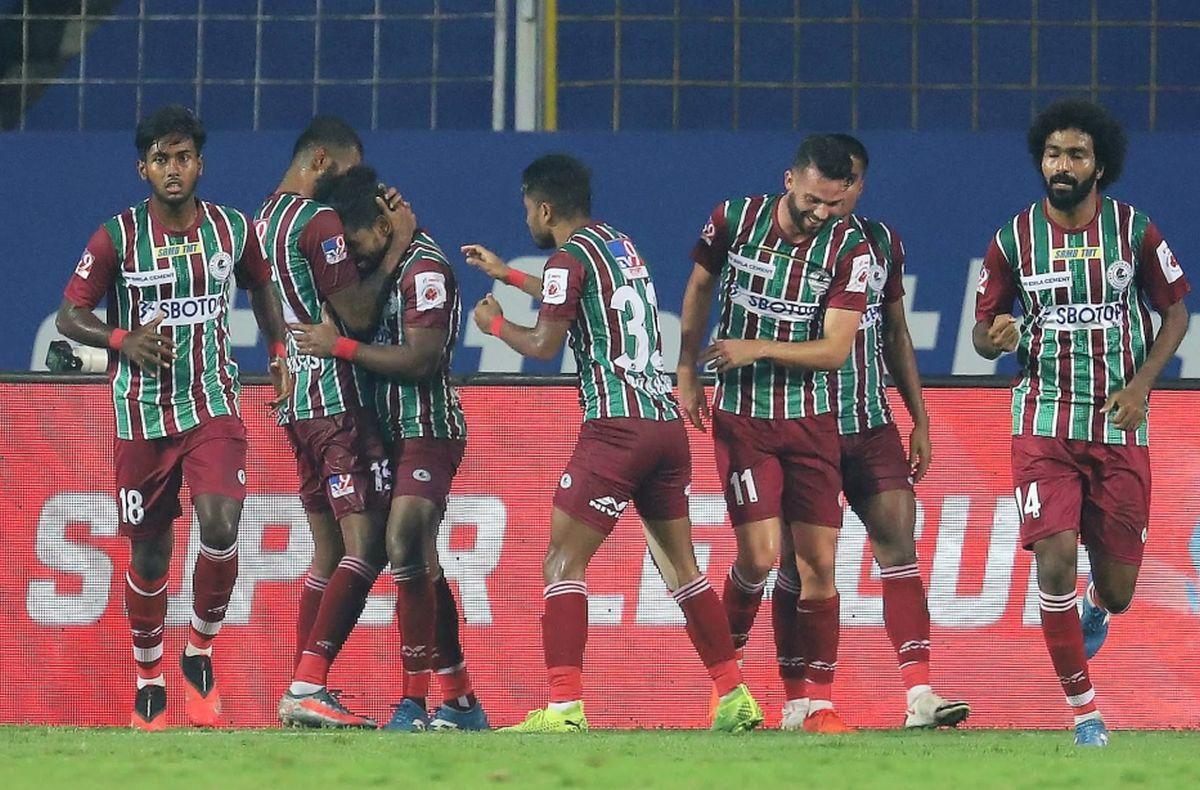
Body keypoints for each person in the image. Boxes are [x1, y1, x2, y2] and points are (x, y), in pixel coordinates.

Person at [466, 153, 763, 733]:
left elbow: (546, 343)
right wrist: (509, 275)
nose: (526, 215)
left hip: (616, 429)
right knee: (683, 569)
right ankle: (734, 697)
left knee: (561, 562)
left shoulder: (564, 257)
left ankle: (563, 709)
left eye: (528, 207)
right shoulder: (618, 245)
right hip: (666, 429)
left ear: (544, 207)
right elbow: (581, 296)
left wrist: (495, 325)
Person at [56, 104, 292, 730]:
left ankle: (200, 653)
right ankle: (150, 677)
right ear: (143, 169)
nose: (173, 169)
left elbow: (262, 287)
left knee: (220, 522)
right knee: (151, 557)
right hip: (139, 415)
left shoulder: (232, 229)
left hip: (212, 402)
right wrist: (121, 340)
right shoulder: (117, 236)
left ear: (199, 163)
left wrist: (276, 353)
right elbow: (70, 314)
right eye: (161, 159)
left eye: (183, 157)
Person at [974, 99, 1190, 747]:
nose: (1061, 165)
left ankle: (1099, 608)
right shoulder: (1012, 239)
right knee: (1054, 563)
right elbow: (984, 336)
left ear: (1100, 166)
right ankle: (1085, 714)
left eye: (1076, 154)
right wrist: (996, 336)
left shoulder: (1134, 231)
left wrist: (1143, 386)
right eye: (1052, 153)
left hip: (1119, 424)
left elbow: (1176, 311)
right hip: (1042, 419)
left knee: (1120, 588)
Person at [766, 134, 969, 729]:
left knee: (899, 547)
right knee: (795, 566)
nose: (839, 195)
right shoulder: (779, 243)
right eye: (831, 185)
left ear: (861, 184)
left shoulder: (881, 243)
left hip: (870, 421)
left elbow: (895, 333)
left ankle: (920, 695)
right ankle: (797, 696)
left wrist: (920, 418)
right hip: (802, 425)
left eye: (852, 182)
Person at [676, 134, 869, 733]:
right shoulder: (733, 219)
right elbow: (700, 288)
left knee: (819, 566)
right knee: (759, 557)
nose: (820, 215)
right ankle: (727, 688)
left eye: (833, 205)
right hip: (744, 418)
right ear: (790, 179)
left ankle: (813, 703)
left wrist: (757, 346)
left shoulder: (851, 247)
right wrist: (686, 367)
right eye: (812, 200)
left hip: (813, 420)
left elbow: (837, 350)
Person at [289, 164, 489, 731]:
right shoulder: (376, 270)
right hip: (383, 435)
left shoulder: (425, 269)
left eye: (356, 244)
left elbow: (424, 359)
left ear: (383, 224)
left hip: (428, 430)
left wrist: (342, 348)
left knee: (400, 540)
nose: (351, 259)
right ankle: (461, 700)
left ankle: (411, 705)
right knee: (421, 561)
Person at [257, 117, 417, 729]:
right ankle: (305, 685)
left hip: (299, 404)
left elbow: (273, 308)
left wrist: (278, 360)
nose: (357, 195)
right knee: (368, 546)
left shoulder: (261, 220)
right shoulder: (318, 221)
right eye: (350, 177)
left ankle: (304, 688)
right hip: (337, 400)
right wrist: (397, 240)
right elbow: (354, 312)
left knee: (326, 552)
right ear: (321, 160)